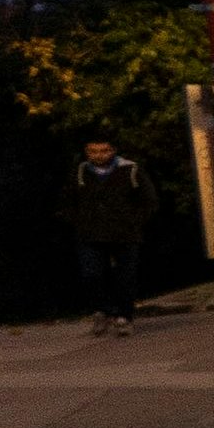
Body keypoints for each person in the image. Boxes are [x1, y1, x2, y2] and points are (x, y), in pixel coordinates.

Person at [71, 138, 152, 336]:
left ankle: (124, 316)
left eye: (104, 151)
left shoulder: (130, 169)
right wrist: (78, 221)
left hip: (124, 232)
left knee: (125, 275)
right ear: (86, 152)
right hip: (91, 232)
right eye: (93, 151)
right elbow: (68, 199)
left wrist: (134, 221)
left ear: (113, 150)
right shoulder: (80, 172)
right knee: (92, 274)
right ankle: (102, 310)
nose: (98, 156)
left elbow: (148, 199)